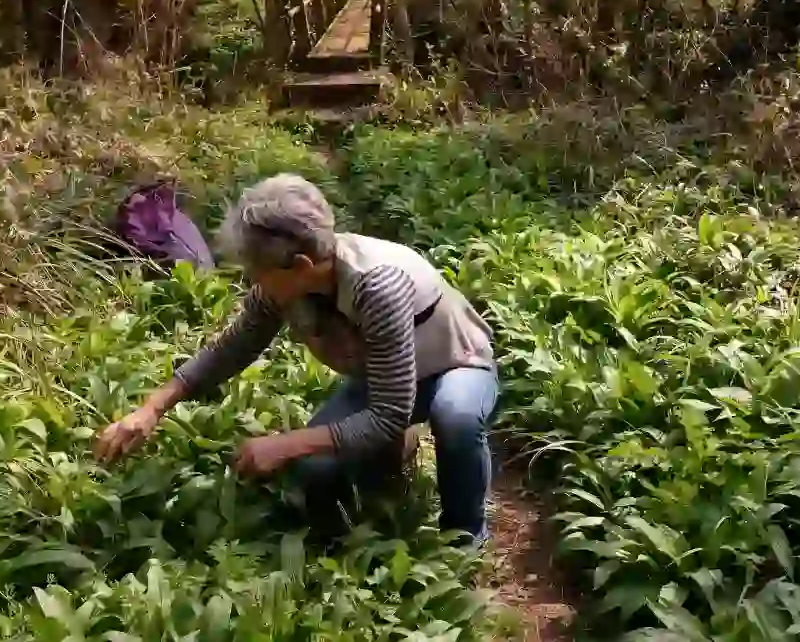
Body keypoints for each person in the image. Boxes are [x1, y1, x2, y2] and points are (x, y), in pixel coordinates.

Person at [94, 174, 498, 544]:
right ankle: (386, 470)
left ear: (301, 265)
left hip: (454, 363)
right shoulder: (286, 285)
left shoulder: (377, 285)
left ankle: (465, 534)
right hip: (385, 379)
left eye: (257, 270)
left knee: (455, 416)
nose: (254, 281)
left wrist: (286, 444)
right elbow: (233, 347)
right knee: (317, 472)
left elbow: (389, 412)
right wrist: (152, 407)